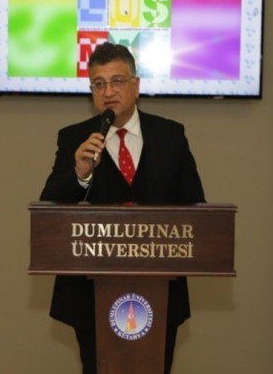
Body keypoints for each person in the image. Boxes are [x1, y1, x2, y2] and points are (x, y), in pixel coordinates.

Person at [39, 41, 206, 374]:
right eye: (98, 84)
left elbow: (196, 208)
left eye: (117, 81)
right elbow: (49, 209)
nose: (108, 92)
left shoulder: (170, 136)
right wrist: (80, 174)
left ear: (136, 85)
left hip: (161, 291)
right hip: (90, 296)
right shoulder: (74, 139)